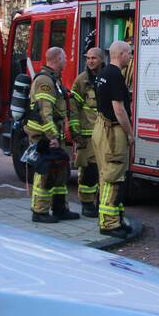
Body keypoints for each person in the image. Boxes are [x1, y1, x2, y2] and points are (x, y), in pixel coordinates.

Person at [24, 47, 80, 223]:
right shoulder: (44, 81)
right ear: (56, 59)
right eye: (64, 58)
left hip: (53, 134)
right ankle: (39, 212)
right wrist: (52, 136)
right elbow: (44, 111)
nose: (66, 61)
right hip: (44, 136)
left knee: (60, 172)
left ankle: (59, 208)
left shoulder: (54, 80)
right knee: (45, 172)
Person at [93, 40, 135, 239]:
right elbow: (119, 110)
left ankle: (114, 219)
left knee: (106, 175)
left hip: (101, 128)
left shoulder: (102, 74)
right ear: (121, 54)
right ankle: (109, 224)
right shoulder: (115, 75)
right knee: (114, 176)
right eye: (130, 54)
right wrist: (129, 133)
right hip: (113, 131)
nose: (131, 57)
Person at [69, 47, 106, 218]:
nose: (90, 61)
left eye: (94, 58)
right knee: (88, 170)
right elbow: (74, 107)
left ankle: (100, 200)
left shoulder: (107, 77)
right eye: (88, 58)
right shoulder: (82, 80)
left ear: (101, 59)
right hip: (88, 133)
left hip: (106, 133)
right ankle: (86, 203)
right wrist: (76, 131)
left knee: (104, 170)